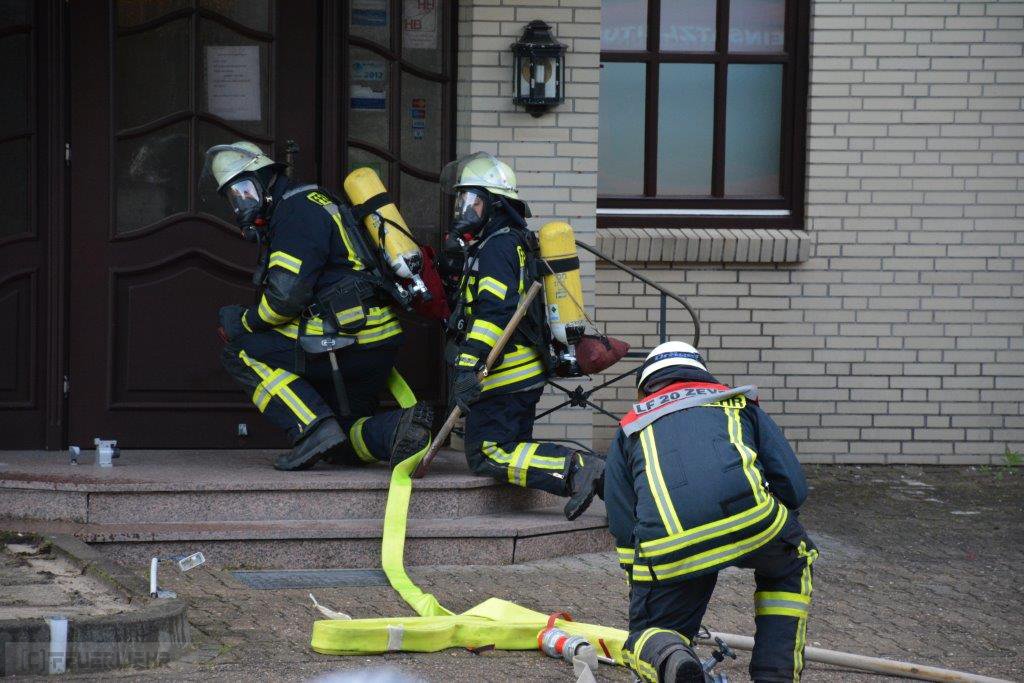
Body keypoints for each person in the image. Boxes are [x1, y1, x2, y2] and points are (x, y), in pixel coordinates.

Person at [204, 141, 432, 471]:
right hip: (375, 341)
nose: (241, 204)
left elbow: (285, 299)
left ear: (265, 178)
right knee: (341, 441)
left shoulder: (294, 212)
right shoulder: (315, 199)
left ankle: (311, 429)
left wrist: (245, 322)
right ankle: (399, 429)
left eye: (244, 192)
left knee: (240, 351)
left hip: (344, 342)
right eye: (234, 197)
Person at [604, 341, 818, 683]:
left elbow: (621, 518)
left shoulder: (630, 427)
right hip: (754, 522)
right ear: (702, 373)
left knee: (648, 636)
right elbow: (793, 485)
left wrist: (643, 581)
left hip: (671, 544)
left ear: (645, 387)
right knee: (792, 560)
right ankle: (775, 676)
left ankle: (672, 656)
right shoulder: (738, 403)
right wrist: (779, 524)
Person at [438, 152, 604, 521]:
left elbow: (493, 313)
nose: (464, 210)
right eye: (462, 200)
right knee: (513, 447)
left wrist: (467, 367)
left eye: (473, 201)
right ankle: (607, 482)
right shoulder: (504, 241)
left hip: (506, 374)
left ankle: (578, 469)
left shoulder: (497, 247)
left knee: (488, 452)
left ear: (495, 205)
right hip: (520, 371)